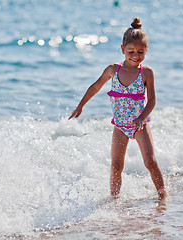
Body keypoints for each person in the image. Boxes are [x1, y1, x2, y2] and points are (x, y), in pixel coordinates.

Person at [68, 17, 167, 200]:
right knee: (116, 165)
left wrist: (140, 118)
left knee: (150, 162)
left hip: (140, 125)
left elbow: (152, 100)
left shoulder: (146, 72)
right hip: (120, 125)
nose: (135, 55)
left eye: (140, 51)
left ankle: (163, 197)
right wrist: (80, 106)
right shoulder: (113, 70)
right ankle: (114, 201)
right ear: (122, 50)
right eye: (130, 51)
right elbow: (96, 86)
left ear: (146, 51)